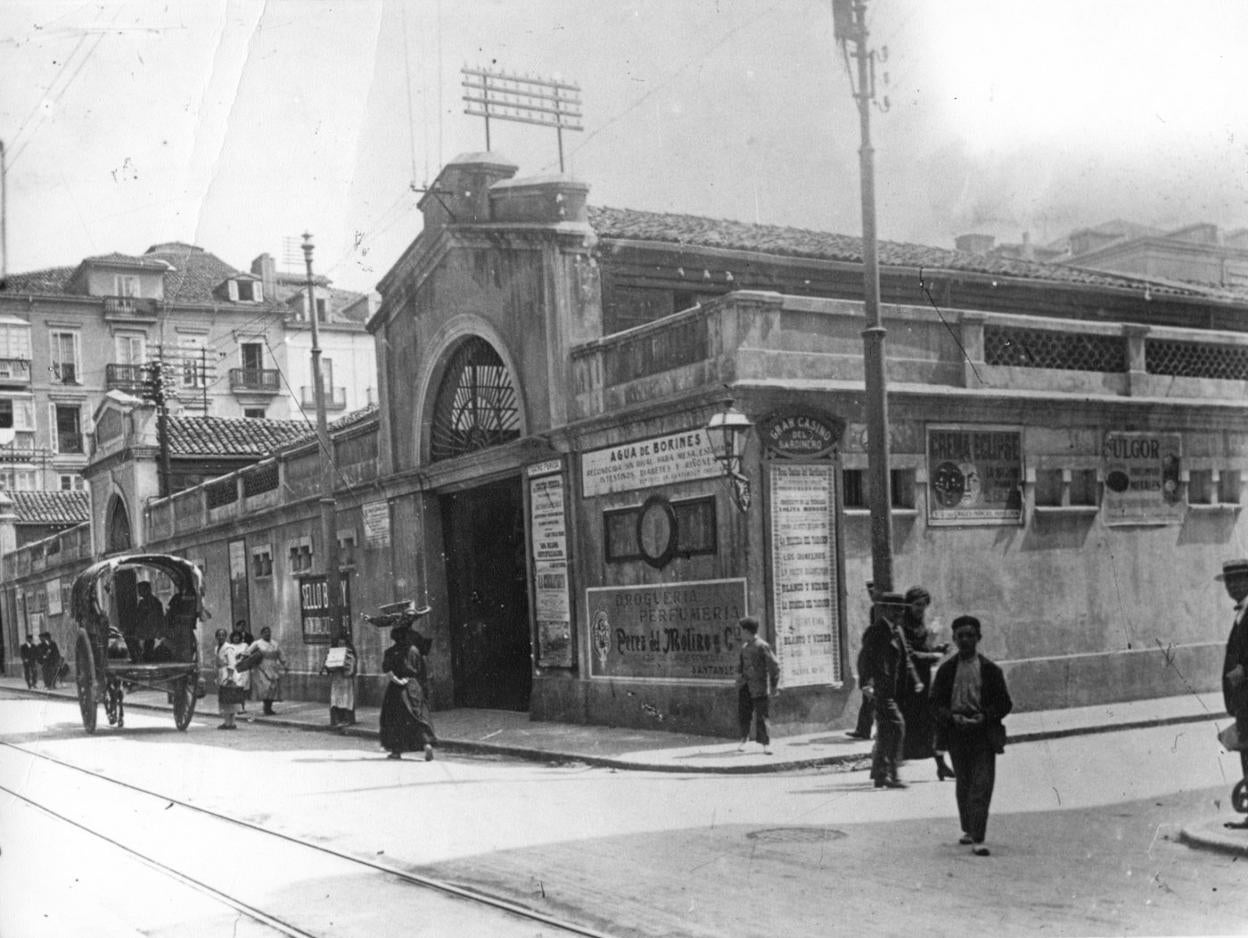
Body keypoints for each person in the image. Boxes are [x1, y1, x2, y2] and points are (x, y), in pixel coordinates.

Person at [931, 615, 1014, 857]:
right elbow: (934, 704)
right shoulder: (946, 671)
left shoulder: (990, 670)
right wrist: (950, 717)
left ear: (978, 638)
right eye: (960, 636)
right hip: (957, 734)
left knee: (982, 784)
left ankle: (979, 837)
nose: (965, 640)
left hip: (982, 734)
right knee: (964, 784)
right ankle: (968, 828)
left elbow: (1004, 703)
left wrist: (985, 716)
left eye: (970, 635)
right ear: (954, 639)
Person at [861, 593, 921, 789]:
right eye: (896, 609)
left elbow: (908, 660)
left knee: (886, 731)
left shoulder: (899, 631)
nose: (900, 613)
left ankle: (881, 776)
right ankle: (893, 775)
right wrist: (866, 683)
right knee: (897, 726)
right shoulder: (875, 631)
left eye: (902, 609)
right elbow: (865, 660)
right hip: (881, 689)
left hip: (896, 689)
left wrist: (916, 681)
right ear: (885, 609)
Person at [898, 586, 956, 780]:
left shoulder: (919, 623)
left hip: (922, 680)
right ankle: (889, 767)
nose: (920, 609)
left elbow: (922, 647)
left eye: (923, 605)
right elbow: (909, 654)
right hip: (908, 682)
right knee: (911, 723)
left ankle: (940, 765)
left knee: (930, 722)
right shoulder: (902, 625)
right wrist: (933, 655)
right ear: (908, 604)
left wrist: (937, 648)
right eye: (917, 605)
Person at [379, 621, 437, 760]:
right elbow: (421, 671)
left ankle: (396, 750)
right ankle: (425, 743)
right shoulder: (414, 651)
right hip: (413, 686)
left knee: (394, 718)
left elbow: (388, 671)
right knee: (417, 715)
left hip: (396, 688)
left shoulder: (390, 652)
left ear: (394, 637)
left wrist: (398, 681)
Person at [1219, 558, 1248, 798]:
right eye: (1230, 581)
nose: (1234, 586)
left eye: (1239, 580)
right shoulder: (1242, 613)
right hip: (1242, 702)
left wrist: (1245, 671)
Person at [735, 616, 781, 755]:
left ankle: (766, 744)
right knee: (744, 714)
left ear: (747, 631)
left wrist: (774, 686)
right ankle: (744, 739)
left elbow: (775, 666)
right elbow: (741, 666)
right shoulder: (744, 647)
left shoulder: (762, 646)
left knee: (762, 716)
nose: (740, 633)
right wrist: (739, 677)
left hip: (759, 687)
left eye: (741, 630)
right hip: (745, 686)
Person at [848, 583, 878, 740]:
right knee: (869, 698)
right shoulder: (875, 609)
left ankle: (865, 730)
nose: (871, 595)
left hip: (874, 662)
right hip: (869, 660)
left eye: (873, 592)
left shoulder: (878, 610)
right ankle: (863, 729)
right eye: (870, 592)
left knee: (871, 698)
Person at [245, 626, 287, 716]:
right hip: (261, 667)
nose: (267, 634)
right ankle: (266, 705)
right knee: (265, 687)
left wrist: (284, 664)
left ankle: (269, 707)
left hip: (273, 666)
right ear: (262, 634)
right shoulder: (257, 643)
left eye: (269, 632)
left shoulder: (275, 643)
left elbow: (281, 654)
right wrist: (249, 660)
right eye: (265, 632)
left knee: (273, 687)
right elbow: (247, 653)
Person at [324, 635, 358, 729]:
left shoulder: (349, 654)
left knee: (346, 699)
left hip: (346, 680)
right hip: (337, 679)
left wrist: (345, 666)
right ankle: (338, 718)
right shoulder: (333, 653)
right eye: (339, 644)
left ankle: (346, 718)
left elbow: (351, 669)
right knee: (336, 699)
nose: (341, 645)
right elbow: (328, 666)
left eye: (343, 644)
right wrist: (331, 664)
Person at [215, 628, 243, 730]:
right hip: (221, 672)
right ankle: (228, 722)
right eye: (219, 635)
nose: (221, 637)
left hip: (228, 672)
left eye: (223, 635)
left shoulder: (229, 648)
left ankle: (230, 723)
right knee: (225, 698)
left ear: (225, 636)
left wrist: (230, 677)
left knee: (229, 697)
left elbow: (231, 662)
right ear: (216, 637)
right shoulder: (217, 648)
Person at [134, 581, 166, 661]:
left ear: (147, 590)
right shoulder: (149, 602)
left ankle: (148, 656)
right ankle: (147, 655)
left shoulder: (151, 602)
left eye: (140, 590)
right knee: (148, 643)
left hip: (149, 629)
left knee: (148, 643)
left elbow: (157, 617)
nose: (139, 592)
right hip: (149, 629)